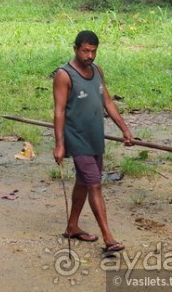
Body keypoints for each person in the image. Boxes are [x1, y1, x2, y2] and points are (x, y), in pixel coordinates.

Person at [53, 30, 133, 255]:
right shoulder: (64, 75)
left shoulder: (97, 70)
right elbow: (59, 111)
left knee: (83, 182)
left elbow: (107, 101)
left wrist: (125, 130)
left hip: (95, 137)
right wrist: (59, 144)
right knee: (94, 184)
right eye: (85, 51)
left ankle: (72, 226)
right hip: (77, 138)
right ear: (75, 48)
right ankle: (108, 237)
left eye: (93, 51)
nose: (90, 56)